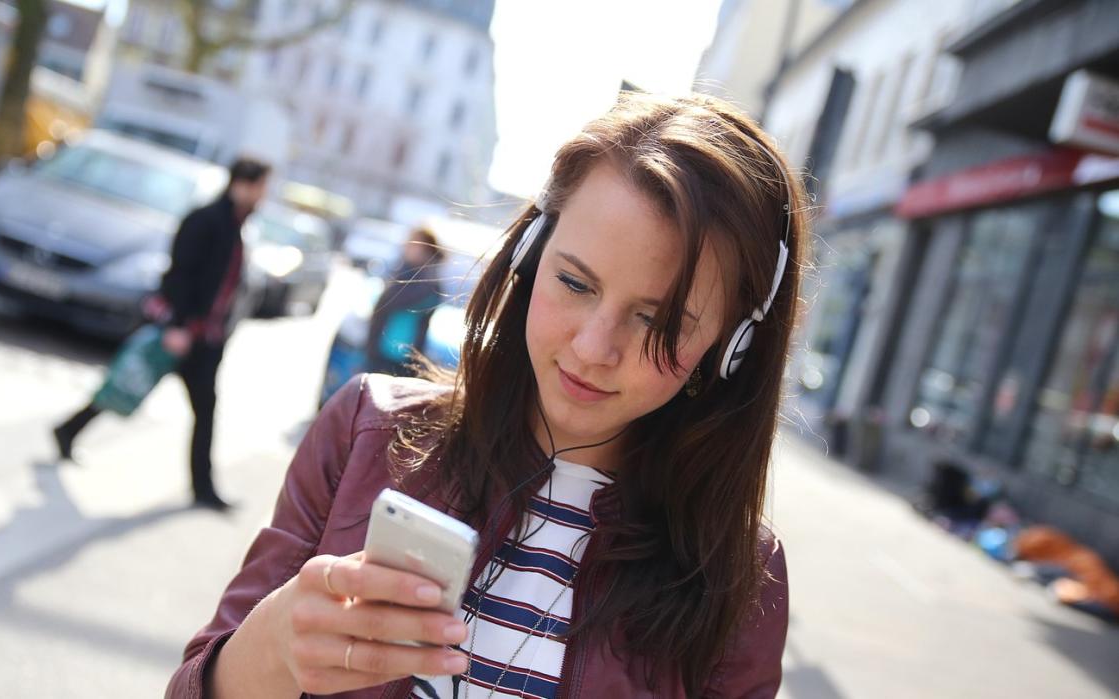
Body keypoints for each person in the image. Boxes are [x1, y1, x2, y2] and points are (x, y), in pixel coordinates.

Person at [167, 93, 800, 698]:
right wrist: (276, 644)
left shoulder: (741, 577)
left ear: (732, 346)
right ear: (529, 254)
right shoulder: (367, 430)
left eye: (655, 321)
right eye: (575, 283)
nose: (591, 347)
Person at [53, 157, 271, 511]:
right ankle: (69, 429)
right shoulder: (206, 219)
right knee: (130, 385)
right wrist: (178, 325)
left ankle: (203, 487)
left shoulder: (239, 226)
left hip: (206, 340)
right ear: (243, 184)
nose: (264, 195)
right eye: (262, 186)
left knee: (202, 410)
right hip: (184, 333)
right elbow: (179, 275)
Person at [364, 225, 446, 377]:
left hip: (399, 357)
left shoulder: (428, 281)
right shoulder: (405, 271)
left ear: (426, 249)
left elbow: (394, 301)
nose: (407, 247)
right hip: (383, 352)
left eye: (414, 244)